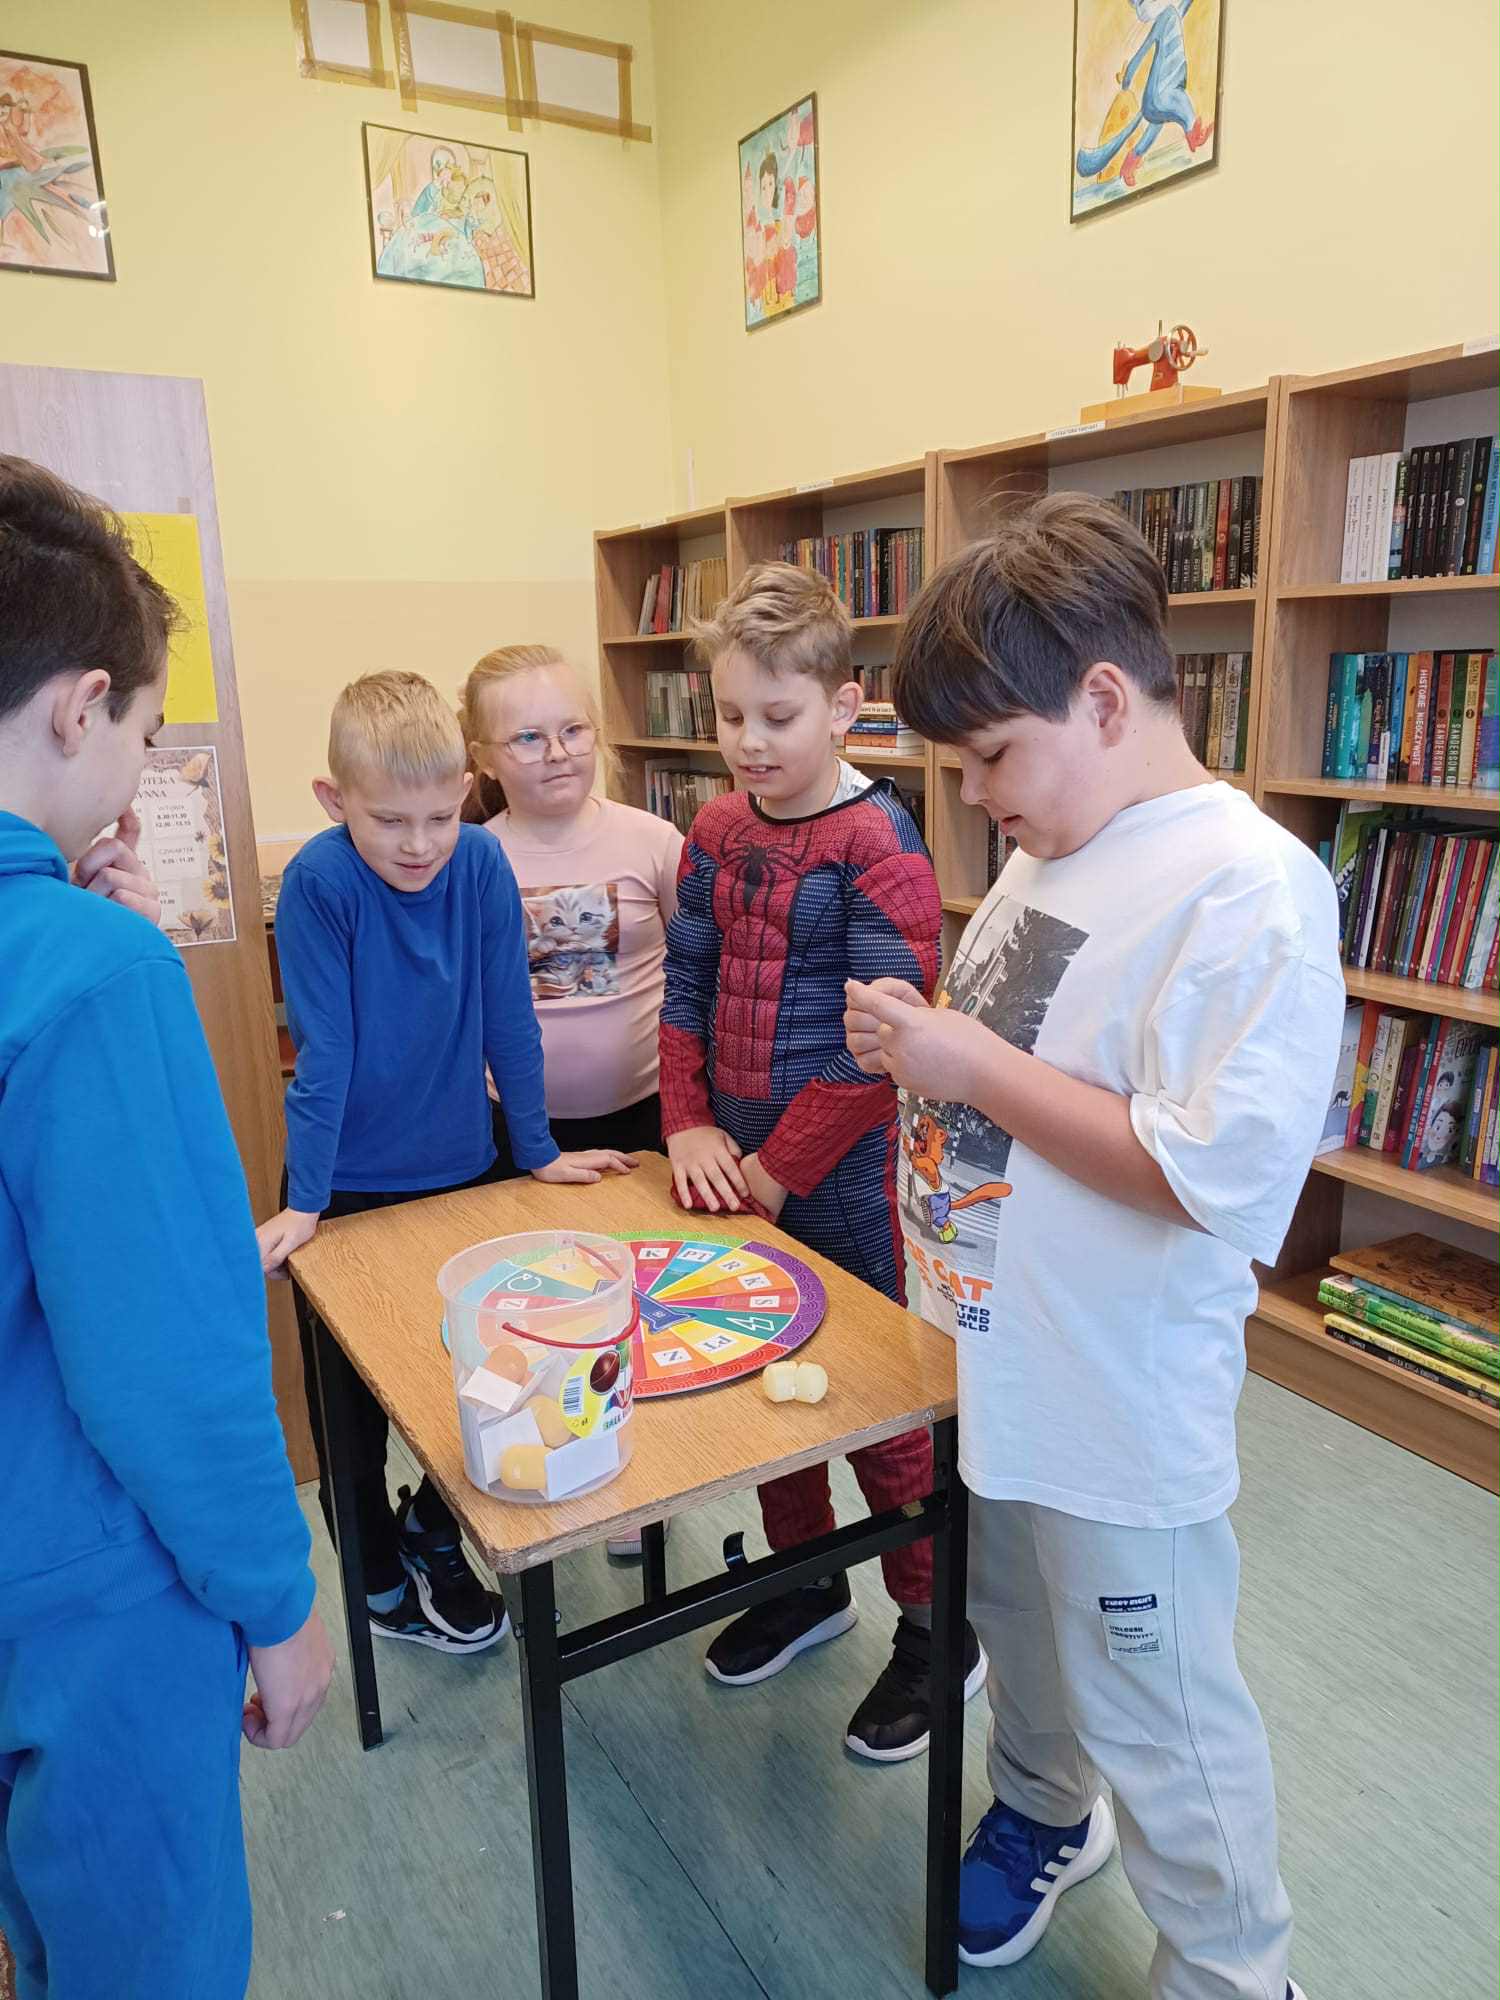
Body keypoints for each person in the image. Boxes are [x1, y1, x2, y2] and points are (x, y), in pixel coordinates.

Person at [844, 493, 1338, 1996]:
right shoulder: (1054, 844)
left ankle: (1234, 1966)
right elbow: (1028, 1059)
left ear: (1106, 701)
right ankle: (1046, 1812)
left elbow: (1207, 1176)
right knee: (1021, 1637)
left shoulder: (1248, 884)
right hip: (1002, 1371)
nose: (975, 790)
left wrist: (970, 1067)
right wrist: (929, 1050)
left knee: (1159, 1707)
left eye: (993, 754)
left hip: (1119, 1407)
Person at [0, 456, 332, 1999]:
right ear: (82, 709)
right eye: (142, 735)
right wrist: (277, 1600)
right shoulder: (95, 976)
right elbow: (170, 1357)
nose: (138, 778)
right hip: (84, 1596)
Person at [661, 561, 985, 1762]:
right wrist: (687, 1123)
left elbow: (882, 1045)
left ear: (846, 705)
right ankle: (805, 1578)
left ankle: (934, 1627)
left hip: (839, 1181)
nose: (749, 741)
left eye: (778, 715)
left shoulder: (878, 841)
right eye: (729, 714)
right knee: (763, 1376)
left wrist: (780, 1169)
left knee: (874, 1399)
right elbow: (687, 984)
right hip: (730, 1166)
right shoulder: (714, 830)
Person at [256, 672, 634, 1656]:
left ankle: (433, 1526)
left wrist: (537, 1152)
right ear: (333, 800)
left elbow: (511, 1016)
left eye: (438, 817)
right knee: (351, 1416)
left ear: (467, 791)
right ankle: (377, 1576)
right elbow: (325, 1052)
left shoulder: (479, 864)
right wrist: (306, 1202)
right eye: (389, 821)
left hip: (463, 1166)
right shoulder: (319, 883)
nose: (419, 844)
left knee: (481, 1379)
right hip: (346, 1187)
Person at [462, 643, 680, 1559]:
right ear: (482, 756)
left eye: (573, 729)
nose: (556, 752)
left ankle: (641, 1480)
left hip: (643, 1121)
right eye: (526, 738)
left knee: (637, 1307)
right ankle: (551, 1459)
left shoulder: (652, 842)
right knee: (540, 1315)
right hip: (518, 1133)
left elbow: (697, 973)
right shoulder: (470, 855)